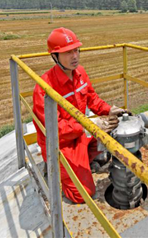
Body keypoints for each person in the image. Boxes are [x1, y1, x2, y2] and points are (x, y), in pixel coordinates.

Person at [32, 27, 126, 203]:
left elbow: (92, 99)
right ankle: (63, 171)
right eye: (68, 52)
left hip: (79, 133)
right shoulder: (44, 88)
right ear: (55, 56)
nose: (74, 56)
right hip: (61, 144)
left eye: (76, 50)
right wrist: (86, 126)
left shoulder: (80, 73)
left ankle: (85, 162)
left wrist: (108, 110)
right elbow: (53, 130)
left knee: (114, 131)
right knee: (82, 194)